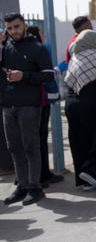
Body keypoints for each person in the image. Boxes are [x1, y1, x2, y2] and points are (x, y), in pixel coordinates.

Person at [1, 13, 55, 205]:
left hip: (29, 106)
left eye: (16, 26)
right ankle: (22, 186)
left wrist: (23, 76)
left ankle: (35, 187)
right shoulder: (5, 47)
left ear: (24, 26)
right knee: (13, 147)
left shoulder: (37, 48)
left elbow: (49, 75)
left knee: (30, 146)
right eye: (9, 28)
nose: (13, 31)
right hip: (8, 106)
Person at [64, 29, 96, 191]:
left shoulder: (75, 57)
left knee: (76, 140)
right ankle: (90, 172)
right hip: (88, 101)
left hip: (70, 102)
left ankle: (82, 179)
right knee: (94, 137)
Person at [25, 25, 64, 188]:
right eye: (41, 33)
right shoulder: (40, 50)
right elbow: (45, 75)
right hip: (40, 100)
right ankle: (41, 175)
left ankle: (39, 174)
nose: (44, 35)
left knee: (35, 140)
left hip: (33, 101)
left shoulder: (26, 51)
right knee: (39, 139)